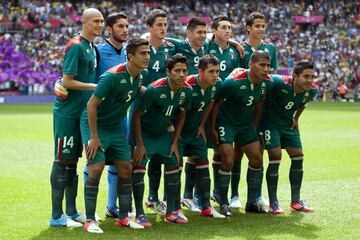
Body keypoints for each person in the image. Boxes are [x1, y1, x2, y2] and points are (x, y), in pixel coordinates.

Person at [81, 38, 150, 233]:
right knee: (96, 167)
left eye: (148, 53)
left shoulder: (139, 77)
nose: (147, 57)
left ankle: (123, 218)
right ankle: (89, 220)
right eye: (143, 54)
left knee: (126, 167)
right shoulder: (111, 76)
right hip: (94, 125)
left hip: (114, 127)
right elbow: (91, 105)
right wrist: (93, 137)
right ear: (130, 57)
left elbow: (141, 92)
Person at [50, 8, 104, 228]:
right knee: (62, 161)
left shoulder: (92, 47)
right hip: (67, 114)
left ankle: (71, 211)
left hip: (82, 114)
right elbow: (68, 81)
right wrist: (96, 87)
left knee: (73, 163)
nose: (99, 25)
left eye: (101, 21)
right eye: (95, 21)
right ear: (83, 22)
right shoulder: (76, 46)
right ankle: (56, 216)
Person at [210, 50, 274, 216]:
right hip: (226, 123)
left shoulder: (267, 83)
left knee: (257, 158)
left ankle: (252, 202)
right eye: (262, 65)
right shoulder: (233, 83)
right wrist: (211, 128)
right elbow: (216, 103)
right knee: (229, 159)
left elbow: (259, 103)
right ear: (250, 64)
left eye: (268, 65)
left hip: (245, 125)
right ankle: (222, 200)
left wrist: (253, 125)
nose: (266, 69)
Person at [131, 54, 192, 225]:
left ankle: (172, 212)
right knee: (139, 170)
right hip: (144, 134)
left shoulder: (186, 90)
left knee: (174, 163)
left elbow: (181, 115)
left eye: (184, 71)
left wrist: (175, 143)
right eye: (177, 71)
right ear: (168, 72)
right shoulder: (154, 89)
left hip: (162, 134)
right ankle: (140, 213)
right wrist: (139, 144)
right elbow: (136, 116)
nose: (181, 74)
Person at [82, 12, 131, 219]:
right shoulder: (99, 52)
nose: (125, 30)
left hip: (121, 117)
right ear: (109, 30)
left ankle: (112, 206)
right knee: (94, 162)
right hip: (99, 117)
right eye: (120, 26)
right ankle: (86, 212)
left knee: (119, 161)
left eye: (127, 26)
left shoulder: (130, 53)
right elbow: (87, 77)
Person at [228, 12, 279, 209]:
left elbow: (270, 77)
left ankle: (256, 194)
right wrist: (233, 42)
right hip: (242, 106)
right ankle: (234, 194)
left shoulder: (270, 48)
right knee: (238, 152)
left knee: (259, 150)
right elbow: (238, 75)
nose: (261, 29)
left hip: (261, 105)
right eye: (257, 25)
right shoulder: (240, 48)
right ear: (248, 27)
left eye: (263, 25)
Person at [259, 60, 317, 214]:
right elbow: (262, 79)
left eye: (312, 77)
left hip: (287, 125)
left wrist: (296, 118)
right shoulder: (279, 82)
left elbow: (303, 104)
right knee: (276, 156)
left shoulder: (311, 91)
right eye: (306, 76)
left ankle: (296, 201)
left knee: (298, 156)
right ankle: (273, 203)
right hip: (270, 124)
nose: (310, 80)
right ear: (295, 76)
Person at [178, 54, 225, 218]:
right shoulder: (187, 85)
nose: (215, 75)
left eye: (217, 71)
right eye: (211, 71)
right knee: (175, 167)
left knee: (203, 163)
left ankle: (206, 207)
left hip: (195, 131)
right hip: (179, 132)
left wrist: (202, 125)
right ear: (200, 71)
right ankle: (174, 205)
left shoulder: (217, 84)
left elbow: (210, 102)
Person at [206, 16, 244, 209]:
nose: (228, 30)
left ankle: (224, 193)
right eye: (223, 27)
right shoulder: (206, 46)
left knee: (226, 151)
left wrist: (234, 43)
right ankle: (199, 194)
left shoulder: (234, 52)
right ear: (213, 30)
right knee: (207, 150)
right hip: (209, 103)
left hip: (229, 107)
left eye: (230, 27)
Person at [142, 9, 177, 215]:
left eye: (165, 25)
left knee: (164, 154)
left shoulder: (171, 47)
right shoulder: (141, 47)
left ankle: (161, 199)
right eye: (159, 25)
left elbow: (199, 39)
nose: (163, 28)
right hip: (144, 110)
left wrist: (234, 42)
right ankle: (146, 199)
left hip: (166, 109)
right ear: (149, 28)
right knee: (143, 157)